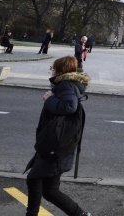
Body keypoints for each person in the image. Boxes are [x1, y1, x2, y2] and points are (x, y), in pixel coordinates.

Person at [25, 56, 92, 216]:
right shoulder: (70, 85)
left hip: (54, 146)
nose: (52, 71)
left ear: (60, 70)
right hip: (58, 145)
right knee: (50, 190)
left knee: (34, 179)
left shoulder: (65, 85)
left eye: (53, 68)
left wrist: (50, 99)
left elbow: (70, 106)